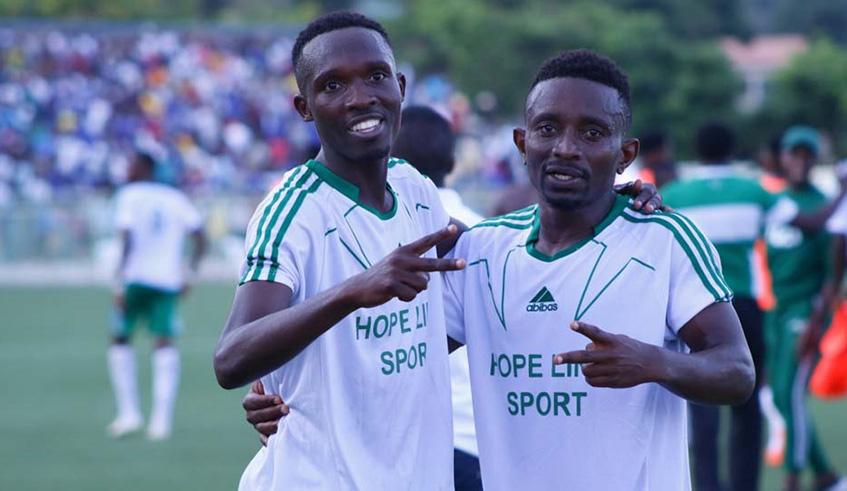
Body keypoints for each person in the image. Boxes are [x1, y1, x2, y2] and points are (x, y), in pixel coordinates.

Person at [240, 49, 749, 490]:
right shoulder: (481, 251)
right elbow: (386, 351)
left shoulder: (666, 240)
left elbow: (737, 371)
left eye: (593, 133)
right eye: (548, 129)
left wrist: (656, 363)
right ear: (523, 144)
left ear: (625, 155)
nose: (566, 147)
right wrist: (283, 390)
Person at [391, 105, 484, 490]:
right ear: (451, 161)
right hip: (474, 438)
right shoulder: (486, 235)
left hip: (403, 439)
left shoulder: (376, 232)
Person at [766, 126, 846, 491]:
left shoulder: (825, 204)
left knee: (792, 392)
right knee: (781, 397)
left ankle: (793, 480)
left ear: (814, 160)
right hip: (777, 310)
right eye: (792, 153)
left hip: (806, 308)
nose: (798, 161)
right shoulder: (775, 201)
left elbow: (833, 273)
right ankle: (826, 474)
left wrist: (817, 322)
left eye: (805, 154)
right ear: (782, 158)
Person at [108, 151, 205, 440]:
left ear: (144, 168)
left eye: (131, 164)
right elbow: (200, 236)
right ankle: (161, 420)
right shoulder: (175, 198)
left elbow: (126, 238)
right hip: (166, 279)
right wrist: (191, 274)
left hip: (135, 278)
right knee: (163, 342)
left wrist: (117, 281)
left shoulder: (130, 195)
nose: (127, 169)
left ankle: (129, 413)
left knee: (121, 337)